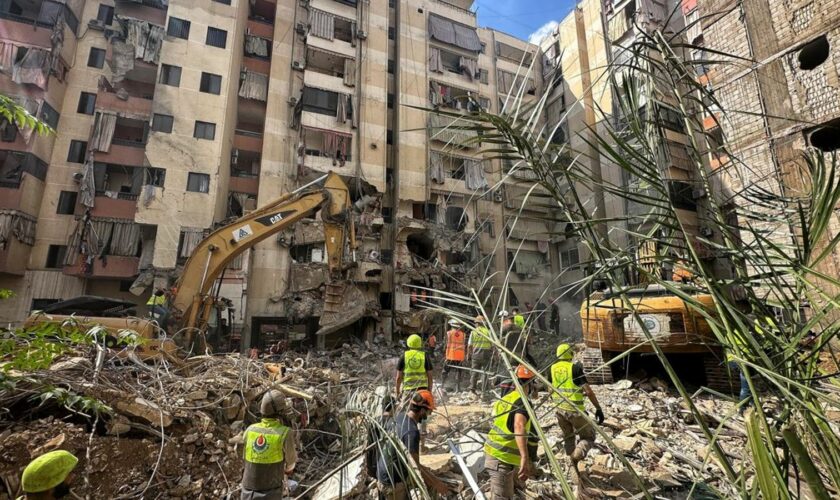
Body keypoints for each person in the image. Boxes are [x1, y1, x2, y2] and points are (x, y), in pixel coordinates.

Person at [376, 390, 447, 499]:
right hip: (392, 483)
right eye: (429, 411)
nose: (430, 414)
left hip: (382, 475)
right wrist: (436, 483)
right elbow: (415, 467)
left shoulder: (399, 417)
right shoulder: (411, 432)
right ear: (422, 410)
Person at [484, 365, 539, 499]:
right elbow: (519, 426)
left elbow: (532, 435)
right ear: (531, 384)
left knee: (518, 490)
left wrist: (530, 458)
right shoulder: (523, 402)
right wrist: (526, 458)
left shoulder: (506, 398)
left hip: (497, 454)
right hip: (501, 458)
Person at [550, 344, 604, 477]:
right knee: (589, 437)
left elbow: (550, 389)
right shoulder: (575, 368)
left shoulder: (552, 368)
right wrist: (598, 408)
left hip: (560, 410)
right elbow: (589, 391)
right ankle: (574, 458)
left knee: (568, 436)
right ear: (571, 354)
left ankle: (572, 469)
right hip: (575, 411)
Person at [241, 390, 297, 500]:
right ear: (281, 412)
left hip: (247, 488)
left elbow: (243, 457)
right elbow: (291, 465)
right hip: (270, 491)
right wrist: (288, 470)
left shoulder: (250, 430)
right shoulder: (285, 433)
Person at [395, 334, 433, 399]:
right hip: (423, 390)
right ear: (420, 343)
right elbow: (430, 376)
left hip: (408, 391)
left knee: (405, 408)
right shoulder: (425, 356)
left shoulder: (404, 356)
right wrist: (429, 391)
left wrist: (398, 392)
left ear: (408, 343)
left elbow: (398, 377)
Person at [468, 316, 493, 393]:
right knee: (485, 373)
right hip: (486, 355)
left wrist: (469, 355)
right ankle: (484, 390)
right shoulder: (488, 332)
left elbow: (469, 345)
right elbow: (492, 345)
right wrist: (493, 355)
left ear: (477, 323)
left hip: (476, 355)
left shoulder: (473, 332)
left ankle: (472, 388)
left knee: (474, 372)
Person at [442, 320, 466, 392]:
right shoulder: (463, 334)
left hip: (450, 355)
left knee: (445, 371)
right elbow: (464, 345)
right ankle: (458, 388)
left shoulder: (448, 333)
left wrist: (445, 354)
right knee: (458, 372)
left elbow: (445, 345)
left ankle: (442, 385)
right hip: (460, 356)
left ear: (451, 325)